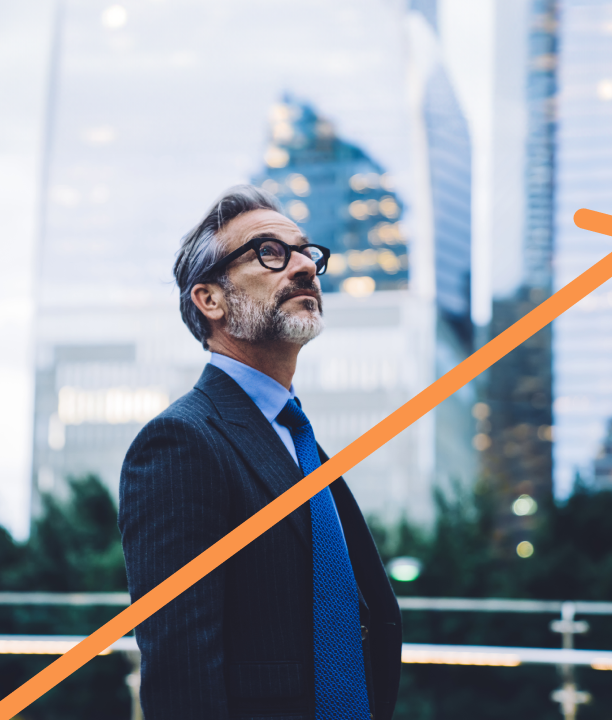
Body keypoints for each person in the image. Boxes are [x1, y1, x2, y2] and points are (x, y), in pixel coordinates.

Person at [119, 185, 401, 720]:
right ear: (211, 299)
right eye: (270, 252)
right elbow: (181, 673)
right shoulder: (180, 443)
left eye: (306, 253)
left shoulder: (297, 438)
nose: (302, 268)